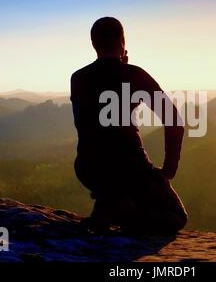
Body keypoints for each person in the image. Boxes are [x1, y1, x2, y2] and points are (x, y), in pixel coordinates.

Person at [70, 17, 187, 234]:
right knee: (176, 217)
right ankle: (122, 212)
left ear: (93, 44)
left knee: (115, 187)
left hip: (88, 168)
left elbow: (92, 122)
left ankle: (110, 200)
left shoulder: (78, 78)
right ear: (123, 41)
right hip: (131, 168)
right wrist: (169, 168)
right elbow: (174, 120)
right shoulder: (134, 75)